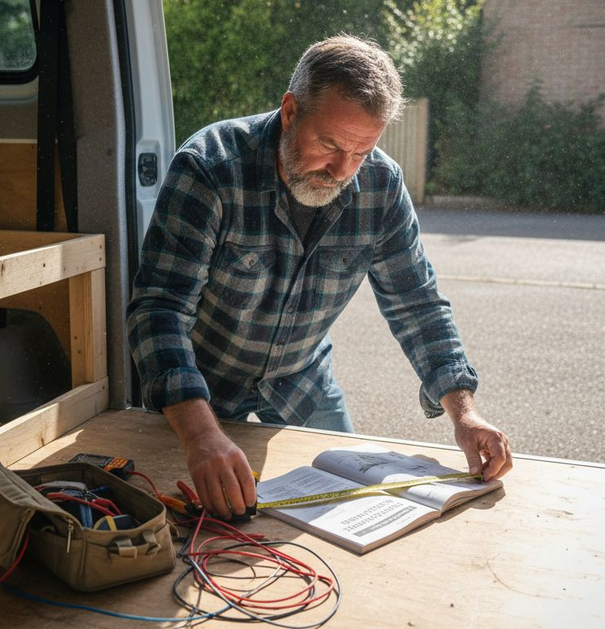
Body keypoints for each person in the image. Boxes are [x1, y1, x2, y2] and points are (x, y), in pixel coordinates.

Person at [127, 35, 512, 519]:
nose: (340, 170)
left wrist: (465, 412)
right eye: (328, 145)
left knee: (347, 513)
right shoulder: (209, 168)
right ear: (290, 111)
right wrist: (201, 435)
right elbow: (158, 309)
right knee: (180, 519)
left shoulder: (381, 186)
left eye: (360, 152)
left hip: (302, 380)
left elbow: (417, 303)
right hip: (197, 386)